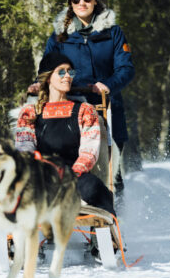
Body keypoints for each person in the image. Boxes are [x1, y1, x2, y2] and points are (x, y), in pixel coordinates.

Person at [29, 0, 135, 189]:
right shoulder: (60, 35)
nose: (82, 3)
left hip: (106, 106)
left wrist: (108, 84)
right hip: (71, 108)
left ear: (95, 0)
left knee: (110, 168)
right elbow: (47, 67)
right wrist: (38, 83)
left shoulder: (113, 33)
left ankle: (116, 214)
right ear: (70, 3)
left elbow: (126, 68)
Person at [15, 51, 115, 217]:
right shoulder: (29, 113)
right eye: (61, 72)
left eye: (70, 72)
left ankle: (109, 236)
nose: (67, 76)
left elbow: (89, 151)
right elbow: (25, 149)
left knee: (96, 190)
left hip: (77, 178)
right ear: (48, 78)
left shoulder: (85, 110)